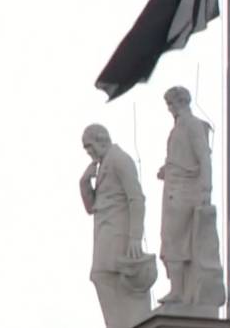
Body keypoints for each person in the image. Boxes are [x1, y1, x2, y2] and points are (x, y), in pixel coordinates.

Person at [156, 86, 225, 314]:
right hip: (174, 188)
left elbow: (203, 157)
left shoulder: (193, 125)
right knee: (168, 236)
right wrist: (167, 169)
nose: (169, 109)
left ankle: (179, 290)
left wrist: (206, 189)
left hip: (187, 191)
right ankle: (178, 288)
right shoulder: (177, 128)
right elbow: (181, 157)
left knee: (176, 237)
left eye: (171, 104)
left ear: (181, 102)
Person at [78, 124, 152, 328]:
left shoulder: (120, 159)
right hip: (104, 235)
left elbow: (136, 198)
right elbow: (91, 207)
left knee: (114, 279)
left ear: (102, 140)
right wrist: (84, 182)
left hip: (119, 235)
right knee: (101, 277)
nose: (90, 153)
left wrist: (135, 237)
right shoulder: (103, 165)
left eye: (90, 147)